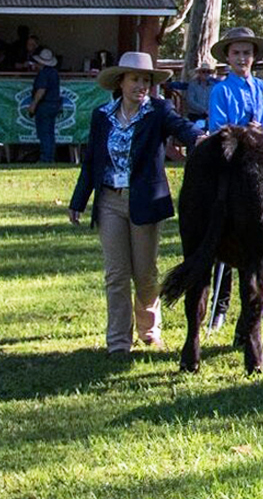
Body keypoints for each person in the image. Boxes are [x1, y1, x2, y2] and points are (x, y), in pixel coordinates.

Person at [67, 52, 200, 355]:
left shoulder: (158, 111)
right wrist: (78, 201)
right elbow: (91, 162)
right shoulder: (102, 116)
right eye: (135, 79)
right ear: (121, 82)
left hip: (144, 204)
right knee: (116, 275)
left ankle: (150, 332)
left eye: (146, 80)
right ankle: (118, 343)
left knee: (144, 275)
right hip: (110, 202)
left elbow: (182, 127)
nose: (141, 85)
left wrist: (199, 138)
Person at [205, 27, 263, 331]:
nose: (241, 58)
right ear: (227, 57)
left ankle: (259, 302)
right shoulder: (220, 90)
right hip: (231, 170)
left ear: (254, 57)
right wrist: (242, 132)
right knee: (226, 239)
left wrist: (260, 130)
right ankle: (220, 306)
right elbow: (218, 129)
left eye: (246, 53)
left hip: (260, 171)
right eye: (236, 53)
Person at [27, 48, 61, 162]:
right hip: (54, 105)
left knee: (44, 133)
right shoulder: (54, 73)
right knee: (50, 133)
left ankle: (45, 158)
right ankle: (50, 157)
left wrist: (33, 104)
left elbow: (41, 90)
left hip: (44, 105)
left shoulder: (43, 73)